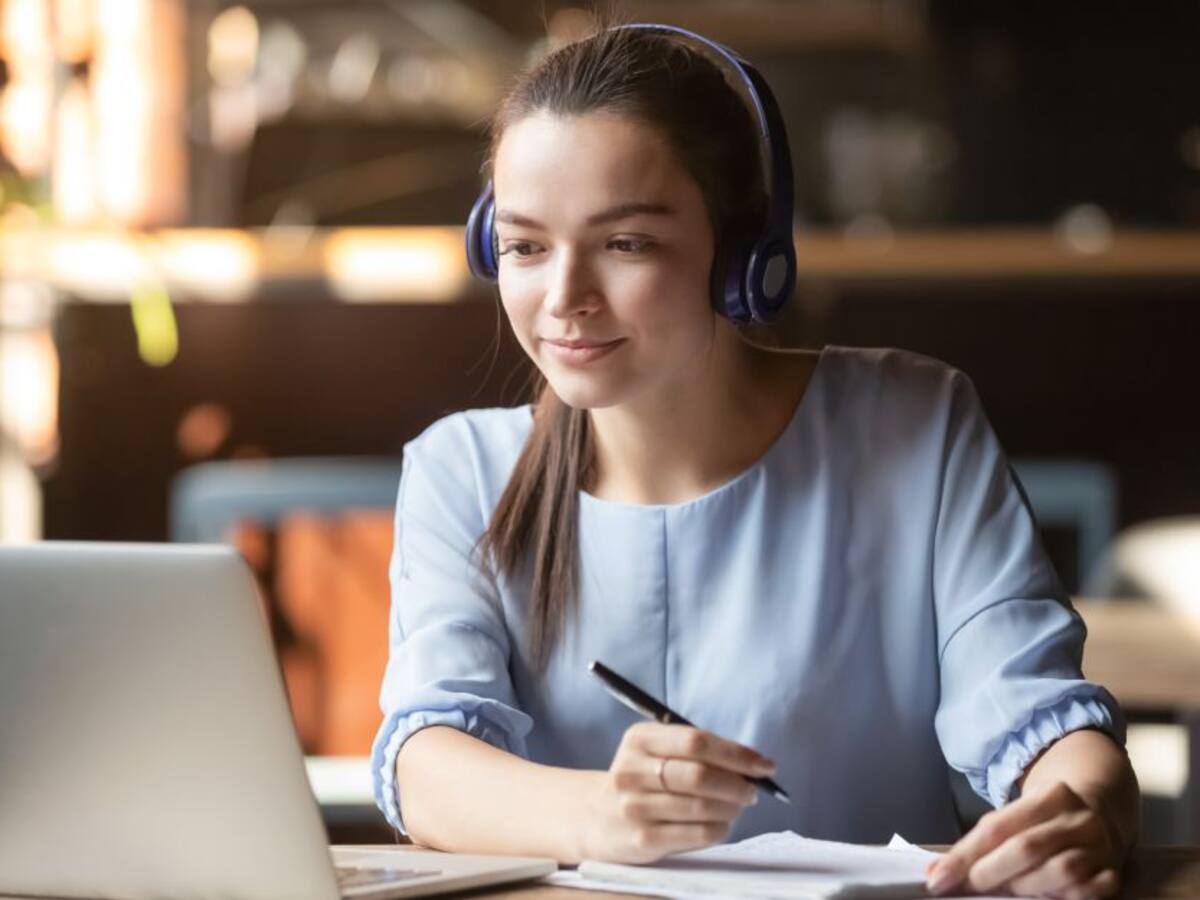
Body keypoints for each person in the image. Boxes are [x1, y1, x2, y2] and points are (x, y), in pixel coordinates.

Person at [370, 21, 1140, 899]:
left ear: (742, 256)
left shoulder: (914, 424)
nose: (564, 297)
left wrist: (1088, 811)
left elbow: (1040, 718)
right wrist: (603, 816)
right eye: (525, 246)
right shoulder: (462, 469)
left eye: (626, 244)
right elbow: (427, 763)